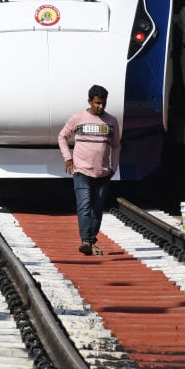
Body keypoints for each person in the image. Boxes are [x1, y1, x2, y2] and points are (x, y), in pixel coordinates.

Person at [58, 85, 121, 256]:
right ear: (90, 101)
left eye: (103, 103)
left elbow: (116, 146)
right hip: (81, 172)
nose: (101, 107)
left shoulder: (112, 121)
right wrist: (68, 158)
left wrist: (113, 166)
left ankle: (91, 241)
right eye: (97, 103)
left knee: (98, 209)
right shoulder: (78, 118)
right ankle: (86, 241)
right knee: (84, 206)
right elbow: (62, 136)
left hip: (102, 173)